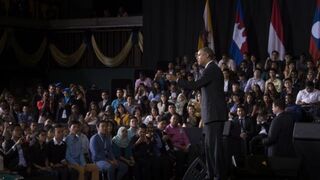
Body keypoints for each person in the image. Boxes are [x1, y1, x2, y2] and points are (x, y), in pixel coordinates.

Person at [177, 47, 227, 180]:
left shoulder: (211, 69)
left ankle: (218, 176)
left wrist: (178, 81)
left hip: (214, 115)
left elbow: (195, 85)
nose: (197, 57)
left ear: (207, 55)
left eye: (199, 55)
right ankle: (211, 175)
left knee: (214, 149)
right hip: (211, 115)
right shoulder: (210, 69)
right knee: (209, 147)